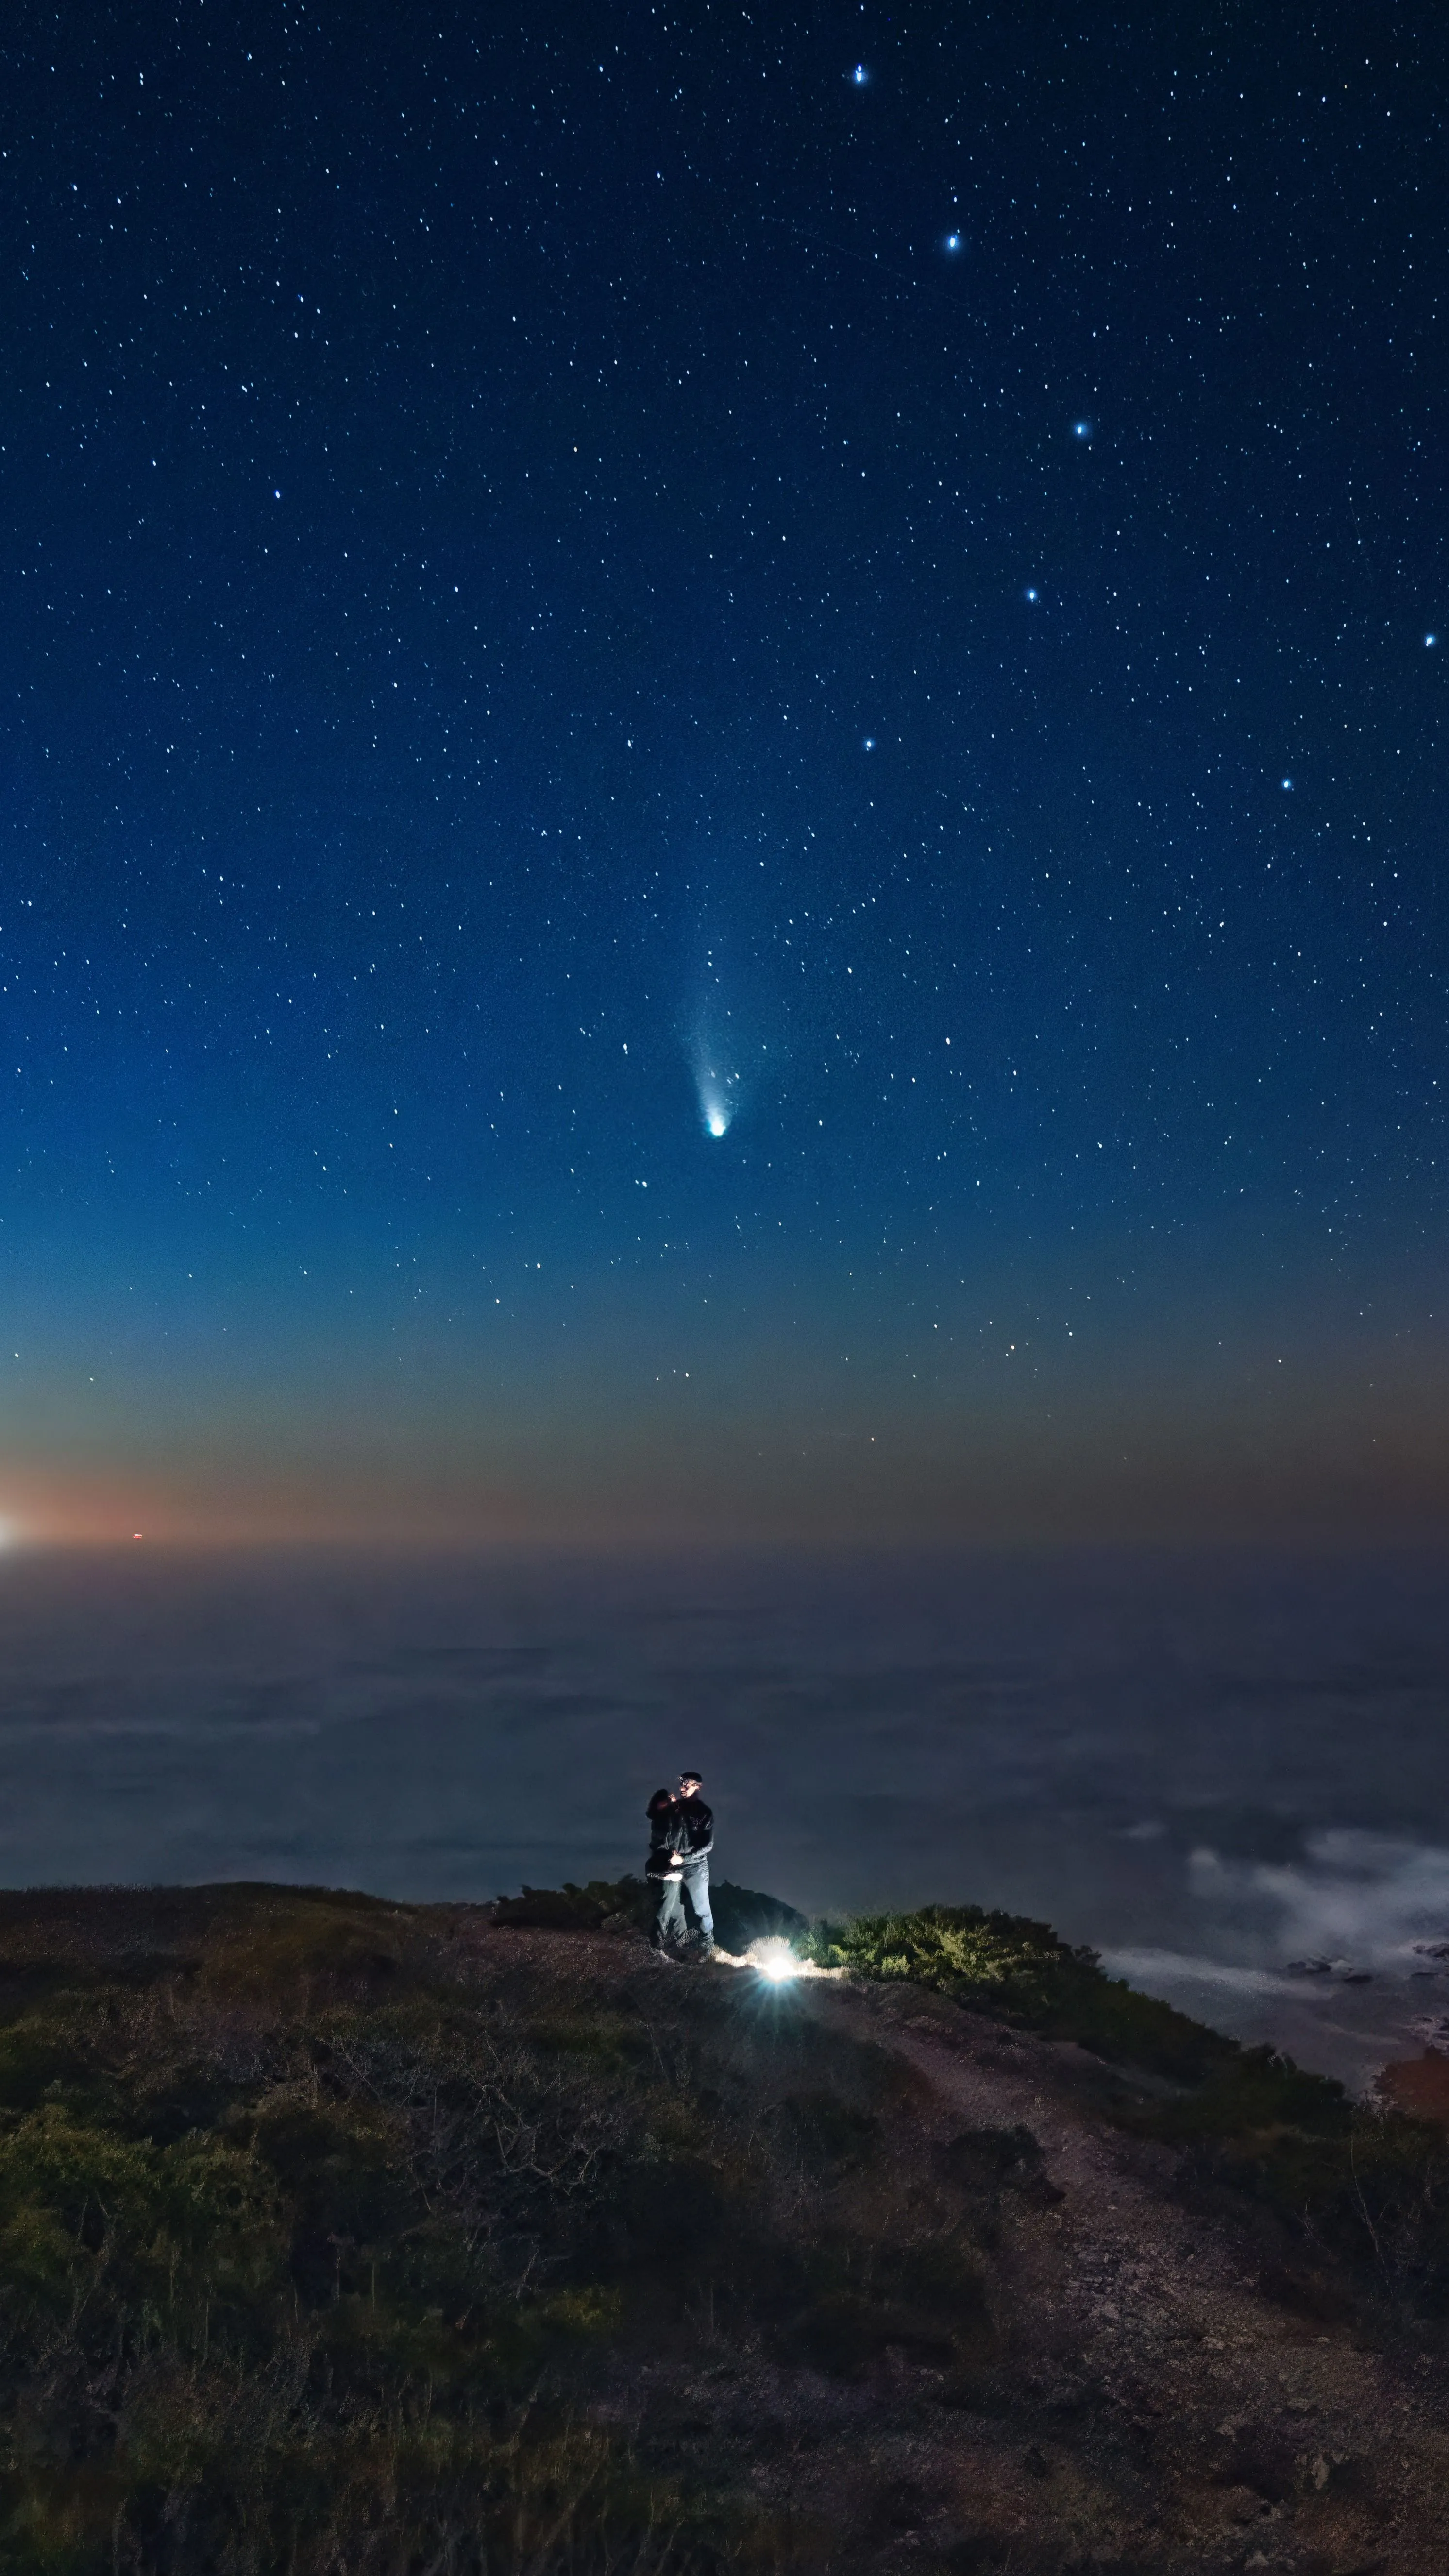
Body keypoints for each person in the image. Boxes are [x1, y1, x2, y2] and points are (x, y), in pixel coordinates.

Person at [644, 1773, 714, 1957]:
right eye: (682, 1783)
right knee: (671, 1906)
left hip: (696, 1866)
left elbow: (708, 1845)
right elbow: (656, 1819)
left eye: (688, 1784)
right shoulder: (676, 1808)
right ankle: (670, 1947)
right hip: (673, 1866)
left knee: (701, 1909)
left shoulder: (705, 1812)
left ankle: (707, 1943)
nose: (683, 1787)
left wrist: (685, 1859)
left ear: (698, 1786)